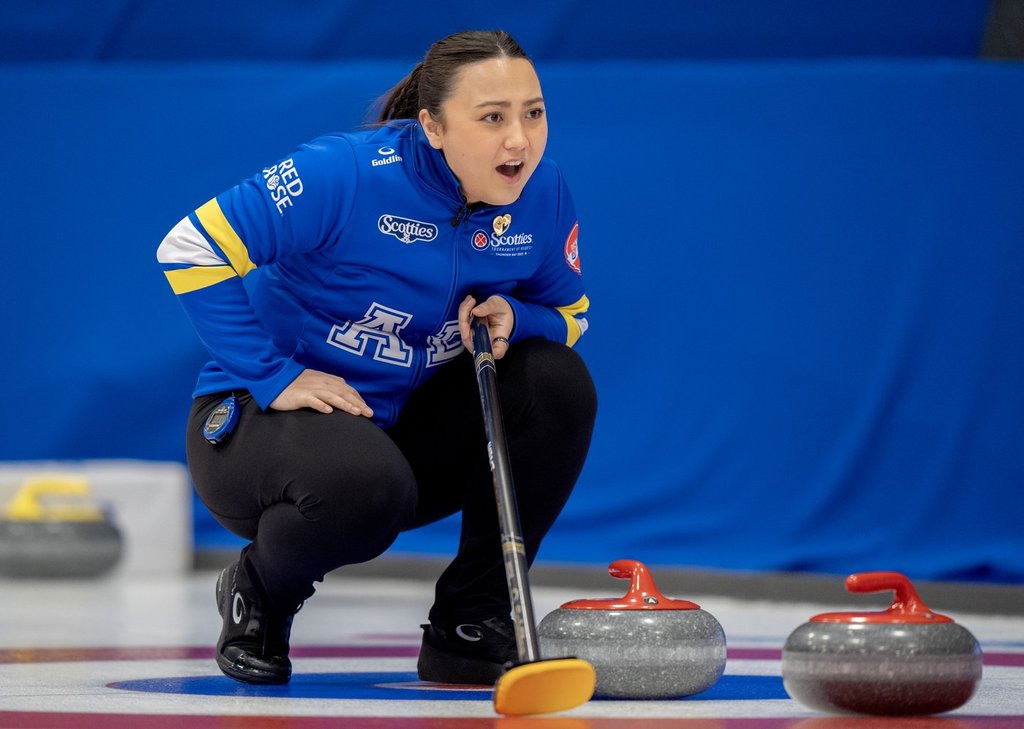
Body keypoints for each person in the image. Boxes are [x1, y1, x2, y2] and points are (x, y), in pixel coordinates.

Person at [156, 29, 596, 687]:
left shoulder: (543, 193)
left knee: (556, 381)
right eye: (493, 118)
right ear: (433, 126)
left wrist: (520, 316)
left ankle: (471, 622)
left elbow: (572, 316)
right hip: (257, 428)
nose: (521, 141)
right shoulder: (345, 173)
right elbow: (189, 247)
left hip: (399, 433)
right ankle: (260, 594)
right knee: (365, 485)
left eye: (534, 113)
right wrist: (275, 375)